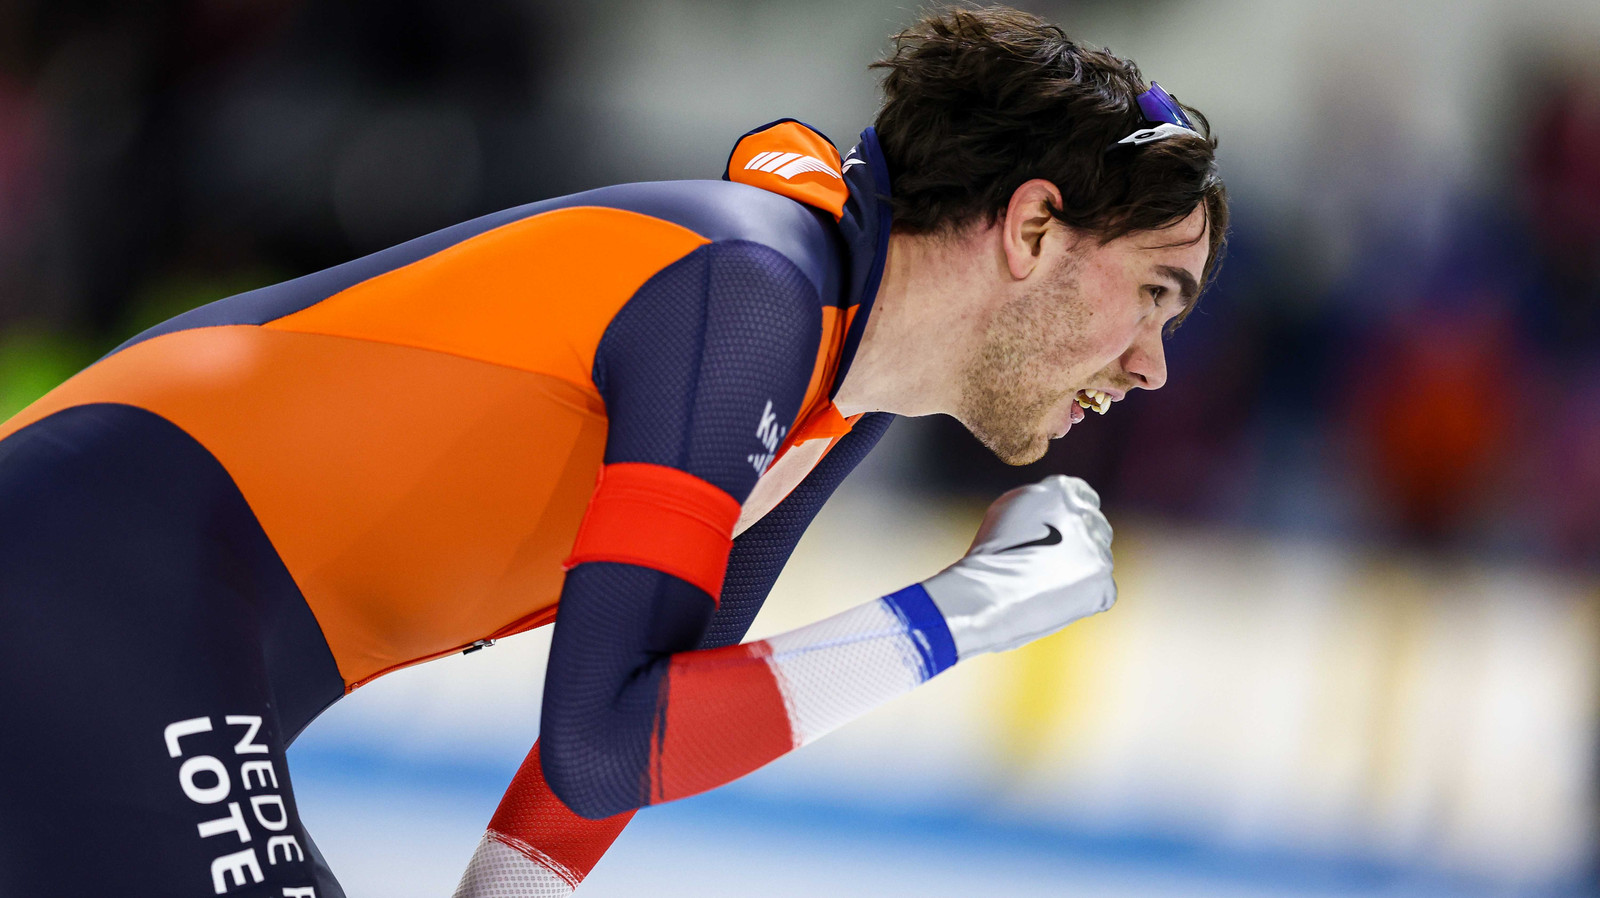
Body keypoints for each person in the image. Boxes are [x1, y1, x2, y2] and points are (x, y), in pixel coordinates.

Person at [0, 6, 1226, 896]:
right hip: (101, 575)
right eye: (1155, 294)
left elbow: (641, 722)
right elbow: (604, 733)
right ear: (1030, 228)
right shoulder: (748, 290)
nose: (1154, 364)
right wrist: (965, 614)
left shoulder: (841, 387)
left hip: (150, 625)